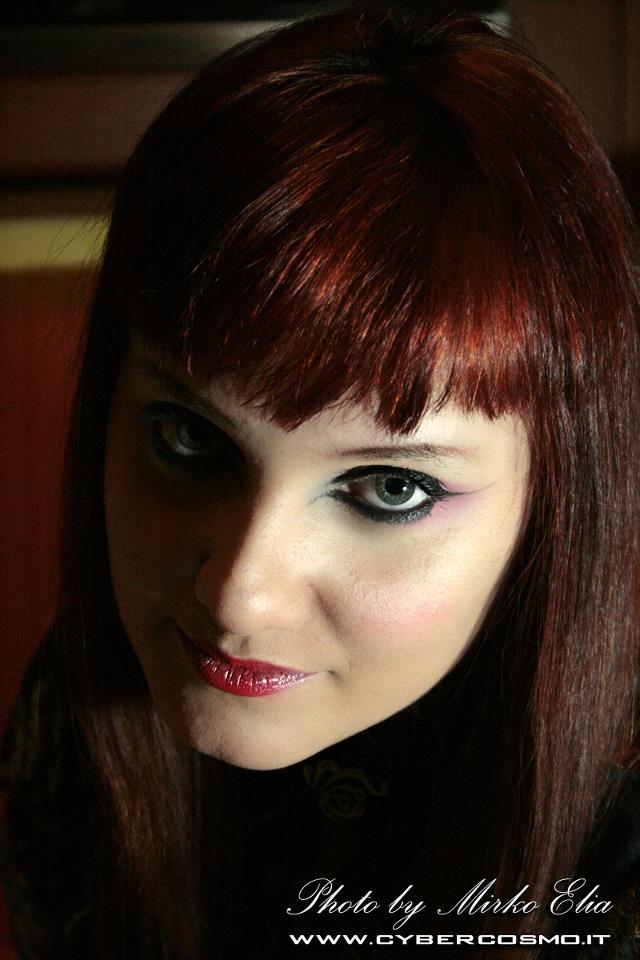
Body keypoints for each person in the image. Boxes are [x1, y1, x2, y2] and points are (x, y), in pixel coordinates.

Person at [2, 4, 639, 958]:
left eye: (390, 489)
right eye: (189, 439)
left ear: (555, 502)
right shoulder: (75, 717)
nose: (237, 595)